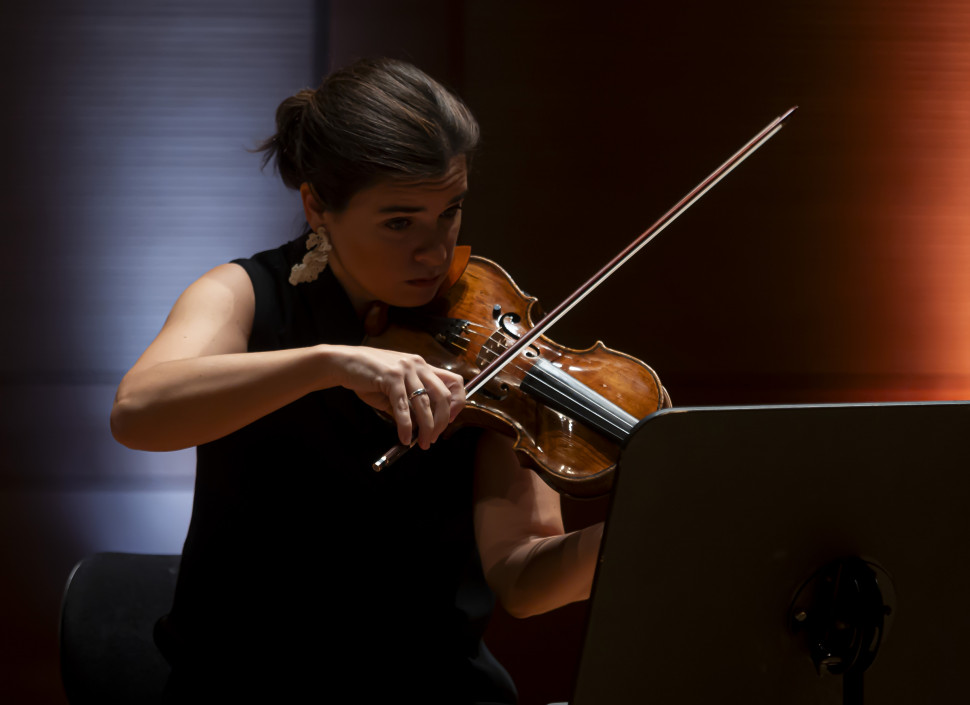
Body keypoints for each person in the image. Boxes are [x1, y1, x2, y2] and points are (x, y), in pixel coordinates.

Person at [110, 57, 603, 703]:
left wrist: (630, 540)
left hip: (435, 685)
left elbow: (522, 577)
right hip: (246, 683)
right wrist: (328, 362)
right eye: (399, 221)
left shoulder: (488, 341)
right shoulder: (245, 296)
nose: (433, 252)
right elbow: (138, 413)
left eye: (448, 212)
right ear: (317, 204)